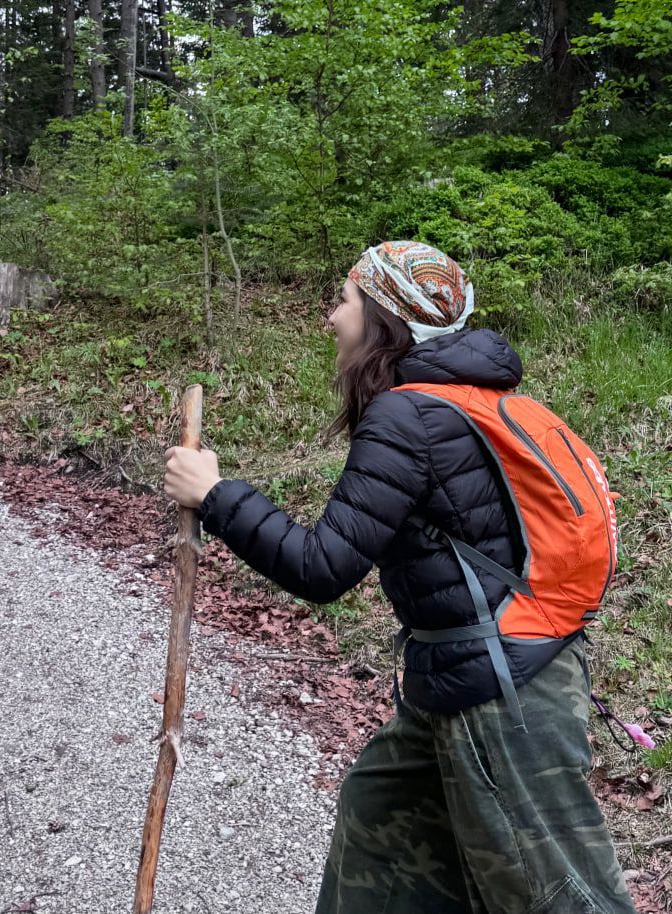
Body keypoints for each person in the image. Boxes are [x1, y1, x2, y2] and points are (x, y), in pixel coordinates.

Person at [163, 240, 637, 914]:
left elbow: (322, 567)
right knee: (378, 822)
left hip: (502, 693)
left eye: (347, 300)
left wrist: (215, 495)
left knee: (555, 896)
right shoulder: (462, 401)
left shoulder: (410, 416)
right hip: (465, 674)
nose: (332, 316)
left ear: (384, 317)